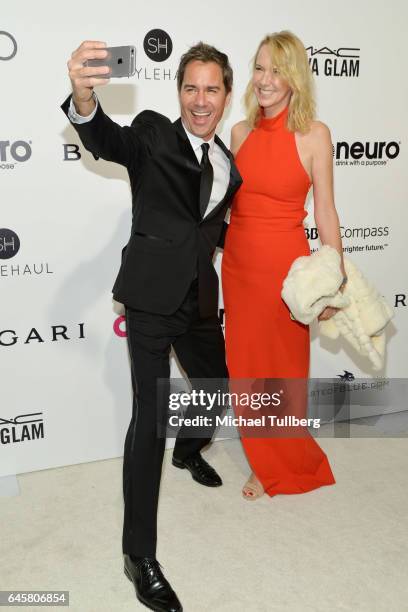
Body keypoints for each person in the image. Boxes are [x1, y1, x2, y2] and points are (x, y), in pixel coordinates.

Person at [62, 40, 242, 612]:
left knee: (217, 389)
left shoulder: (228, 168)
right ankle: (138, 555)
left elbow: (210, 234)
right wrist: (84, 97)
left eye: (212, 89)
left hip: (197, 301)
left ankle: (189, 453)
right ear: (178, 92)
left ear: (226, 96)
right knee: (149, 420)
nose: (200, 99)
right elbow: (105, 138)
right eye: (191, 87)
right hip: (147, 300)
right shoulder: (152, 133)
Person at [222, 31, 344, 501]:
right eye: (259, 68)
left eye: (276, 70)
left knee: (285, 370)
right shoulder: (239, 133)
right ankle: (262, 460)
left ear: (294, 77)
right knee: (247, 370)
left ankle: (286, 459)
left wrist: (335, 282)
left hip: (287, 273)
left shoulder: (315, 134)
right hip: (239, 266)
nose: (265, 79)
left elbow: (327, 212)